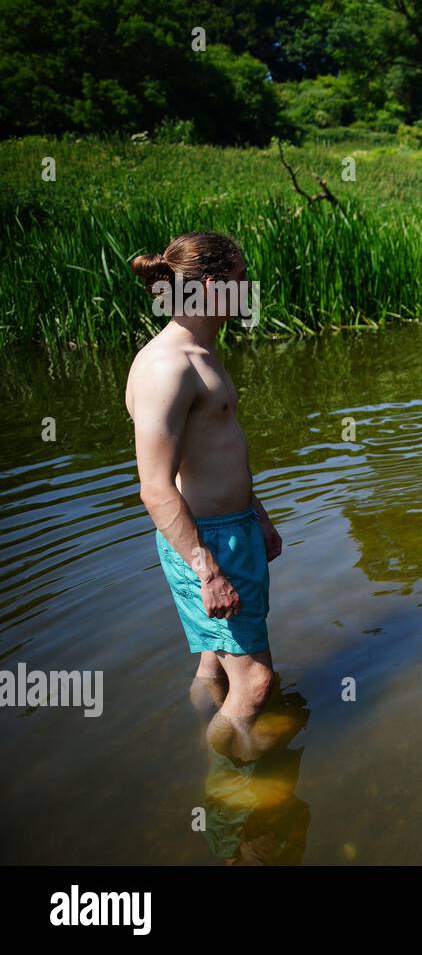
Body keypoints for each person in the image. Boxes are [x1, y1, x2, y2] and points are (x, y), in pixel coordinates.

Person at [124, 231, 281, 744]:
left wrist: (256, 514)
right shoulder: (166, 367)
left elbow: (218, 453)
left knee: (213, 668)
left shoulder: (200, 352)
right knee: (255, 684)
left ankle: (208, 738)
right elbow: (154, 487)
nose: (250, 284)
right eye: (242, 276)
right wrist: (207, 569)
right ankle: (225, 796)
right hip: (207, 545)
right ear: (213, 286)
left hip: (232, 532)